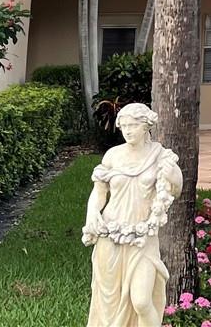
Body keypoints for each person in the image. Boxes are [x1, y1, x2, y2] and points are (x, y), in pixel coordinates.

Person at [82, 102, 183, 327]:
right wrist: (92, 213)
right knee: (110, 301)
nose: (127, 131)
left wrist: (174, 177)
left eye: (133, 126)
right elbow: (99, 192)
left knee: (141, 300)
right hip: (111, 234)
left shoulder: (160, 156)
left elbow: (175, 190)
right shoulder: (112, 156)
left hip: (142, 236)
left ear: (146, 127)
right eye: (124, 126)